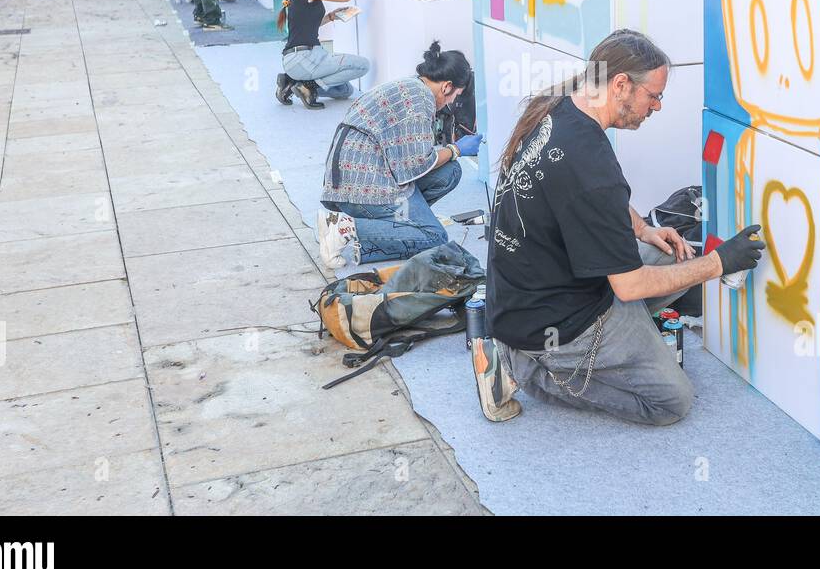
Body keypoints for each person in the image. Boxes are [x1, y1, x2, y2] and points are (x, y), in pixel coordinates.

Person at [474, 30, 765, 425]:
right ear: (621, 85)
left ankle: (625, 336)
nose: (657, 106)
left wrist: (643, 229)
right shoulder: (593, 165)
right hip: (552, 319)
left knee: (674, 258)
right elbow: (628, 286)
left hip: (521, 294)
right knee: (672, 400)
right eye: (653, 96)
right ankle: (517, 371)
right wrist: (719, 263)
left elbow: (588, 197)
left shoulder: (562, 107)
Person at [316, 42, 482, 266]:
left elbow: (408, 161)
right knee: (434, 237)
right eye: (456, 96)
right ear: (447, 86)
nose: (452, 103)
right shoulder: (420, 100)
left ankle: (379, 235)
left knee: (450, 171)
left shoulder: (412, 87)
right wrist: (457, 149)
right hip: (360, 186)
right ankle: (344, 227)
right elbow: (417, 165)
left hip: (352, 178)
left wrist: (452, 154)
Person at [275, 0, 372, 109]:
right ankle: (308, 86)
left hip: (301, 59)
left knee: (344, 90)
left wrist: (331, 17)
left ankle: (292, 82)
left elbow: (305, 23)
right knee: (363, 65)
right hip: (305, 58)